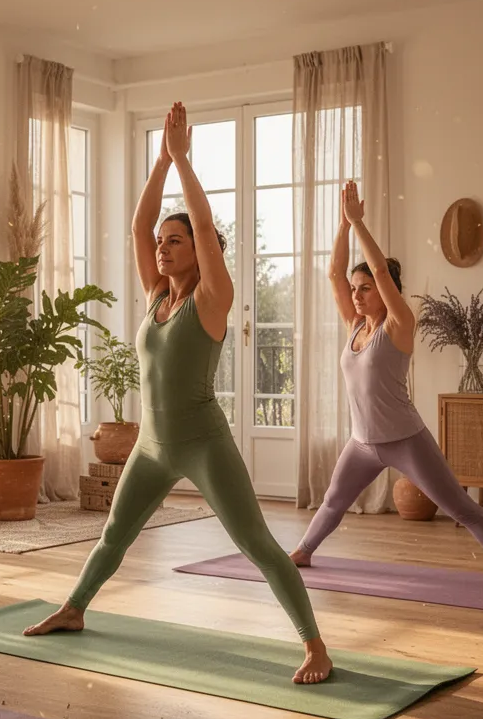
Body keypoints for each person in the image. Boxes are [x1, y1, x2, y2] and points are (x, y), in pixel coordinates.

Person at [25, 103, 333, 683]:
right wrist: (161, 163)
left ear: (200, 249)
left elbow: (205, 233)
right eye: (163, 242)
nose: (162, 248)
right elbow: (137, 229)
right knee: (114, 535)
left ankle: (315, 644)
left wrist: (185, 164)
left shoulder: (212, 296)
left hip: (202, 443)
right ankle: (73, 609)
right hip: (152, 446)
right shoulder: (154, 295)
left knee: (259, 546)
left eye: (176, 241)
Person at [289, 180, 483, 602]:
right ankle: (304, 552)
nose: (358, 295)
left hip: (404, 439)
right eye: (355, 289)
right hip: (363, 443)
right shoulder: (354, 325)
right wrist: (342, 227)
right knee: (332, 500)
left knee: (459, 507)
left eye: (366, 289)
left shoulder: (399, 323)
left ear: (387, 292)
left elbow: (382, 271)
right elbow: (333, 273)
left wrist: (359, 223)